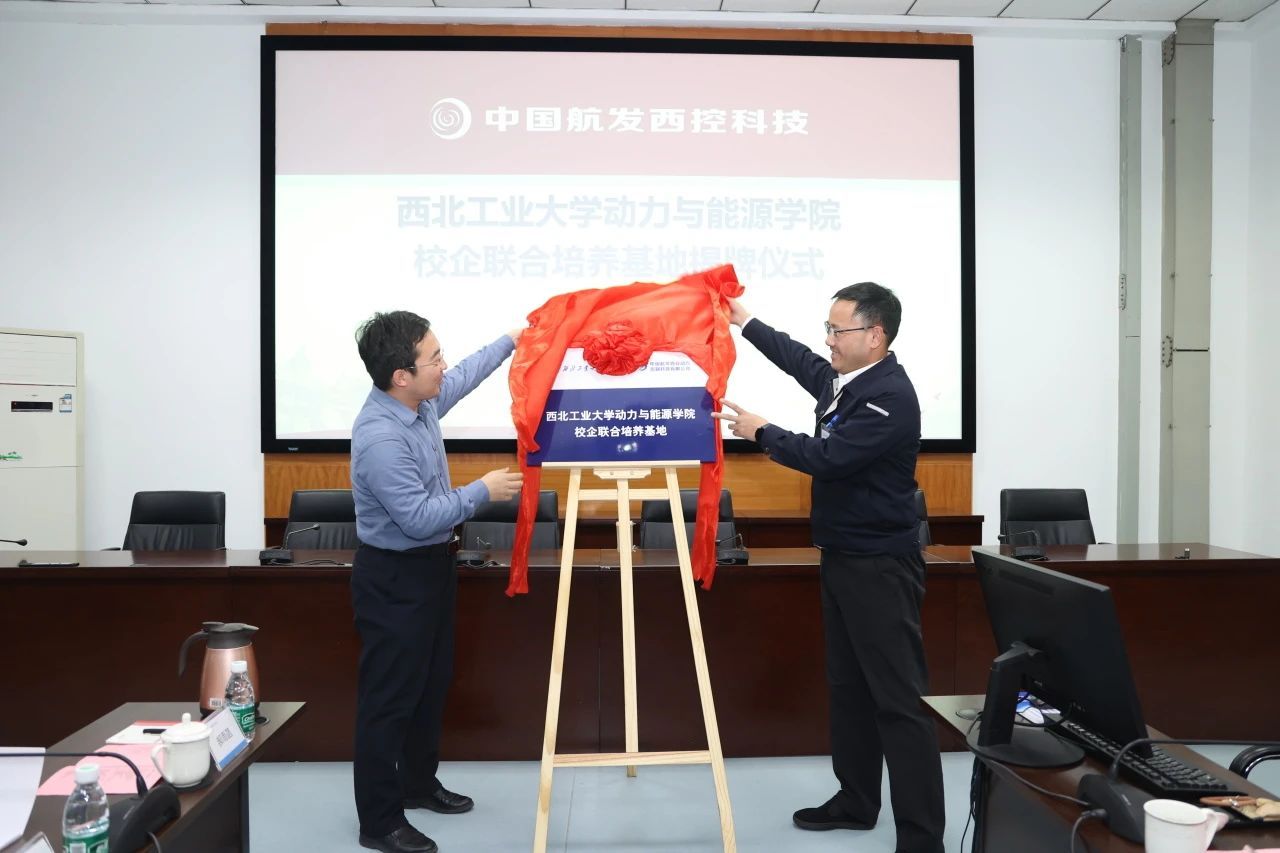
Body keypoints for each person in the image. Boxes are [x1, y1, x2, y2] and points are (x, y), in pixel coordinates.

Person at [713, 282, 945, 853]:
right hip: (844, 558)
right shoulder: (851, 383)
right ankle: (857, 801)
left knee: (899, 703)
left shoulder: (889, 396)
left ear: (875, 335)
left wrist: (763, 432)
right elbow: (801, 362)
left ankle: (922, 838)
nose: (829, 341)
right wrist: (746, 321)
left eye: (838, 331)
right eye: (829, 329)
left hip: (881, 567)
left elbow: (831, 458)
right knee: (848, 688)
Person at [350, 310, 524, 853]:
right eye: (434, 358)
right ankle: (379, 821)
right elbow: (419, 518)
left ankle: (418, 785)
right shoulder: (381, 438)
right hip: (395, 578)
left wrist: (512, 339)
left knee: (428, 687)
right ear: (401, 375)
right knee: (389, 700)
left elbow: (466, 374)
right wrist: (482, 491)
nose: (443, 366)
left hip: (432, 570)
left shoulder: (418, 404)